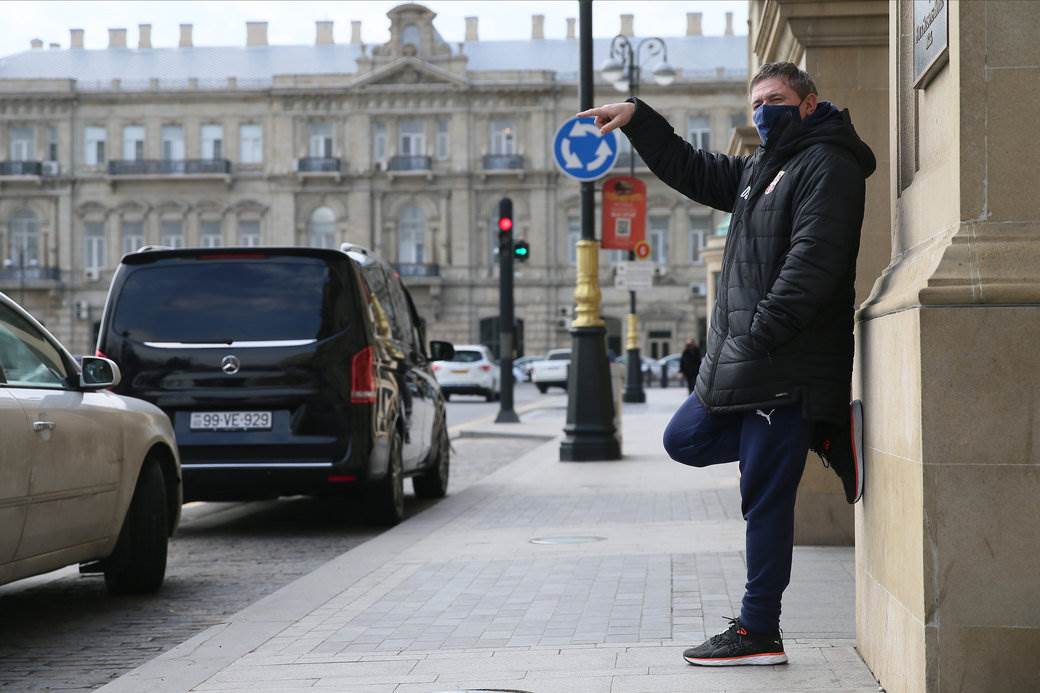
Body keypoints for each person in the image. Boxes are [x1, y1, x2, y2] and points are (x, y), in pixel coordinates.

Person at [578, 62, 870, 667]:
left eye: (778, 99)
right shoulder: (763, 168)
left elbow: (812, 266)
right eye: (757, 102)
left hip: (779, 364)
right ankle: (820, 430)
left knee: (762, 498)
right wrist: (639, 118)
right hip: (747, 362)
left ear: (810, 104)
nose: (764, 111)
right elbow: (692, 168)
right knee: (684, 437)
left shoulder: (828, 165)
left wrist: (758, 336)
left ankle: (759, 631)